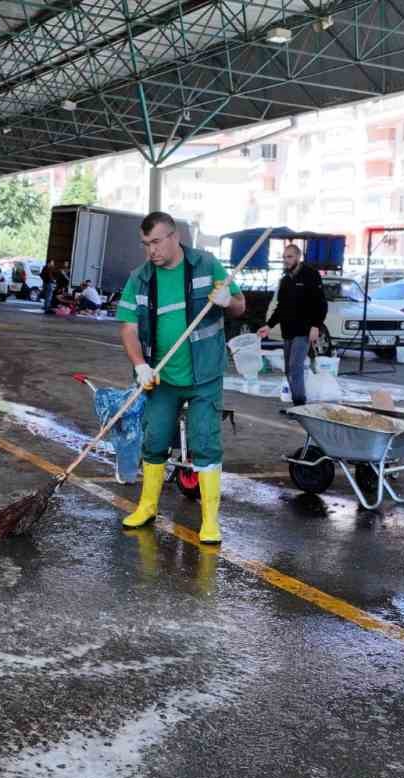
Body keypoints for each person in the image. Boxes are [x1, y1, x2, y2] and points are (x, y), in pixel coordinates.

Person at [117, 211, 243, 544]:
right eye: (145, 245)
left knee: (205, 442)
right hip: (161, 378)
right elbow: (128, 326)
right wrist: (140, 364)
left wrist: (228, 301)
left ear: (174, 237)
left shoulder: (206, 264)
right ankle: (147, 507)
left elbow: (240, 306)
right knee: (155, 440)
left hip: (204, 375)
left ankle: (210, 520)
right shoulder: (140, 278)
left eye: (156, 242)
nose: (151, 251)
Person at [261, 243, 327, 407]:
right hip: (288, 331)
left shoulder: (310, 275)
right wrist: (269, 325)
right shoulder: (285, 280)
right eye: (284, 257)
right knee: (288, 369)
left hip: (303, 330)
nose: (286, 260)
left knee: (295, 366)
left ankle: (300, 405)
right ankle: (296, 404)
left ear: (298, 257)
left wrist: (316, 326)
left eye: (289, 257)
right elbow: (281, 308)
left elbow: (321, 303)